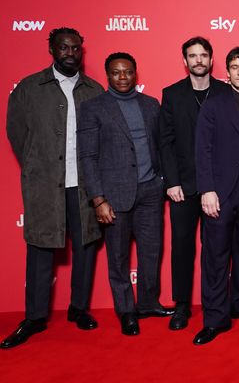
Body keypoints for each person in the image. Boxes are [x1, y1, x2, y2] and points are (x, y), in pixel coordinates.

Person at [2, 28, 103, 349]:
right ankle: (34, 316)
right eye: (64, 47)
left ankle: (79, 309)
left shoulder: (94, 90)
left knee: (86, 247)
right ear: (52, 49)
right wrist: (37, 166)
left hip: (84, 185)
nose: (70, 53)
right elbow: (17, 133)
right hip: (45, 186)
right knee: (41, 247)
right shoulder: (30, 89)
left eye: (76, 47)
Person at [78, 52, 173, 336]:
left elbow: (162, 146)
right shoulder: (93, 107)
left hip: (150, 191)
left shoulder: (150, 104)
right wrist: (98, 199)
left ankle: (147, 302)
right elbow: (87, 156)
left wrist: (162, 182)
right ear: (108, 75)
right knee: (118, 258)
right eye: (117, 73)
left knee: (151, 252)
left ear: (136, 74)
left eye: (128, 72)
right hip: (113, 195)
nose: (123, 77)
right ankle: (126, 311)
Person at [193, 47, 239, 345]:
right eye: (235, 67)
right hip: (219, 193)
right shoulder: (212, 104)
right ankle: (214, 318)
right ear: (226, 72)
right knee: (215, 256)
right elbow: (202, 149)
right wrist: (207, 190)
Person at [160, 36, 232, 330]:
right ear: (185, 61)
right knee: (182, 246)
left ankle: (220, 304)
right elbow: (165, 142)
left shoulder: (225, 93)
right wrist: (172, 182)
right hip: (184, 187)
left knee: (217, 248)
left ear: (212, 60)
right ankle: (181, 306)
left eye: (203, 55)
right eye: (193, 56)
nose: (199, 60)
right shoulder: (172, 94)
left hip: (218, 186)